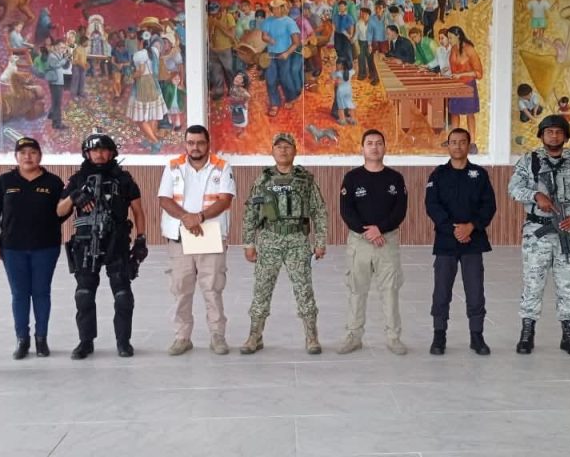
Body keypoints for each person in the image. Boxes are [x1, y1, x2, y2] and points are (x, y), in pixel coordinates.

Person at [507, 115, 570, 357]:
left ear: (566, 136)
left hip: (568, 230)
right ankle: (527, 333)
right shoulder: (528, 161)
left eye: (559, 132)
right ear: (541, 135)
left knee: (567, 283)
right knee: (533, 282)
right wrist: (536, 195)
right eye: (549, 132)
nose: (554, 136)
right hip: (537, 232)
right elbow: (513, 188)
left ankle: (569, 335)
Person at [57, 133, 147, 360]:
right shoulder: (78, 179)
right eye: (94, 150)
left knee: (123, 296)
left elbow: (138, 210)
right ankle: (85, 342)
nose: (99, 154)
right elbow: (59, 211)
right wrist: (74, 196)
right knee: (84, 295)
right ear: (87, 154)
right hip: (86, 246)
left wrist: (141, 239)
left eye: (103, 150)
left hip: (116, 243)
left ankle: (123, 341)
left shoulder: (123, 179)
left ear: (112, 153)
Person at [240, 133, 328, 355]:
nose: (283, 150)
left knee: (304, 290)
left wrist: (320, 241)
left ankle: (312, 336)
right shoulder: (263, 180)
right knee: (262, 289)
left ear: (295, 151)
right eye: (278, 147)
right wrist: (249, 243)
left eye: (287, 146)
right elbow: (251, 212)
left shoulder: (305, 180)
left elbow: (319, 211)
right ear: (272, 151)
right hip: (269, 239)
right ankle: (254, 336)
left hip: (297, 240)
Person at [158, 125, 236, 356]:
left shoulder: (222, 166)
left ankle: (217, 336)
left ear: (208, 144)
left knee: (212, 288)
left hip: (209, 235)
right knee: (181, 289)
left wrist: (199, 217)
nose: (195, 147)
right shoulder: (173, 166)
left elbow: (225, 199)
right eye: (191, 143)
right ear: (185, 144)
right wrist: (187, 218)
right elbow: (164, 199)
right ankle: (182, 337)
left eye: (200, 143)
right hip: (180, 236)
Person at [0, 137, 66, 360]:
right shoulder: (4, 181)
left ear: (40, 155)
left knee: (41, 292)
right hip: (13, 248)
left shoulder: (53, 182)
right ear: (16, 157)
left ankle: (41, 339)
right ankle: (22, 339)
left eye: (33, 152)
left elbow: (62, 213)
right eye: (23, 153)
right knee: (19, 294)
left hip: (46, 247)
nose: (28, 156)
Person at [425, 128, 496, 356]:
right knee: (441, 291)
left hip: (473, 241)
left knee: (475, 291)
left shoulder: (479, 174)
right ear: (448, 145)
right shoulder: (438, 175)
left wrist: (471, 226)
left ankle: (477, 336)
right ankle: (439, 335)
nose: (457, 146)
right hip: (446, 241)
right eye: (453, 142)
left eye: (462, 142)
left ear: (469, 145)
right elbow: (432, 205)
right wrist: (452, 229)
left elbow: (489, 205)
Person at [337, 129, 409, 355]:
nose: (375, 147)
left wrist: (380, 230)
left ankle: (393, 337)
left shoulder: (395, 178)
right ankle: (353, 336)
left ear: (385, 147)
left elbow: (400, 211)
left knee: (390, 291)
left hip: (387, 242)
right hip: (359, 242)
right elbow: (346, 211)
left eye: (379, 143)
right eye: (370, 143)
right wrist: (367, 232)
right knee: (356, 290)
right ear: (362, 148)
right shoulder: (352, 178)